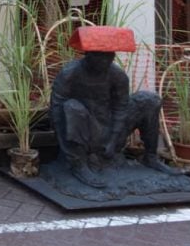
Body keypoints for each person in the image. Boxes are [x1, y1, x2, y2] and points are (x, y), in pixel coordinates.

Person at [51, 43, 178, 189]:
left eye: (109, 57)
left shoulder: (117, 75)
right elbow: (56, 110)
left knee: (150, 100)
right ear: (88, 55)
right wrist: (66, 147)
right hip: (85, 127)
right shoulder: (69, 73)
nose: (105, 62)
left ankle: (150, 157)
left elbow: (121, 108)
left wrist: (113, 139)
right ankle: (79, 165)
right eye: (100, 57)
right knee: (71, 107)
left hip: (110, 124)